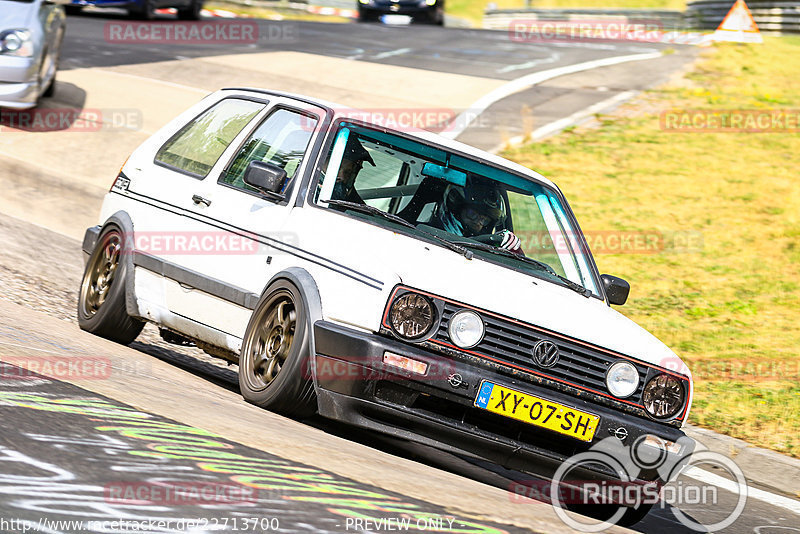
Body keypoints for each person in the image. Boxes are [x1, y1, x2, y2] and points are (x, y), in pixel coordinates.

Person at [434, 177, 524, 255]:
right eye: (472, 214)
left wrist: (514, 249)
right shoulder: (425, 233)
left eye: (485, 220)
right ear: (455, 208)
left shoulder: (490, 249)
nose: (479, 223)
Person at [331, 135, 375, 204]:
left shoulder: (356, 205)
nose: (342, 177)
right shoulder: (309, 189)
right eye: (337, 168)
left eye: (348, 172)